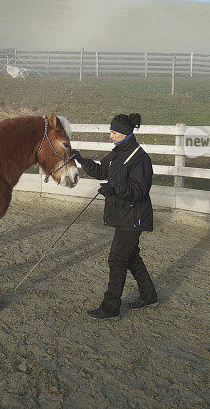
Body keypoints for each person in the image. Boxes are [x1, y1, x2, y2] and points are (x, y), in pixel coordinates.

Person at [70, 113, 158, 321]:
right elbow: (102, 172)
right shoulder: (117, 154)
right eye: (111, 131)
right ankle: (149, 295)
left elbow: (140, 190)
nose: (110, 135)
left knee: (117, 259)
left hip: (134, 216)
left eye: (114, 132)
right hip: (124, 214)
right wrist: (81, 159)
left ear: (125, 134)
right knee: (131, 257)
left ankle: (110, 308)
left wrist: (115, 189)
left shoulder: (139, 157)